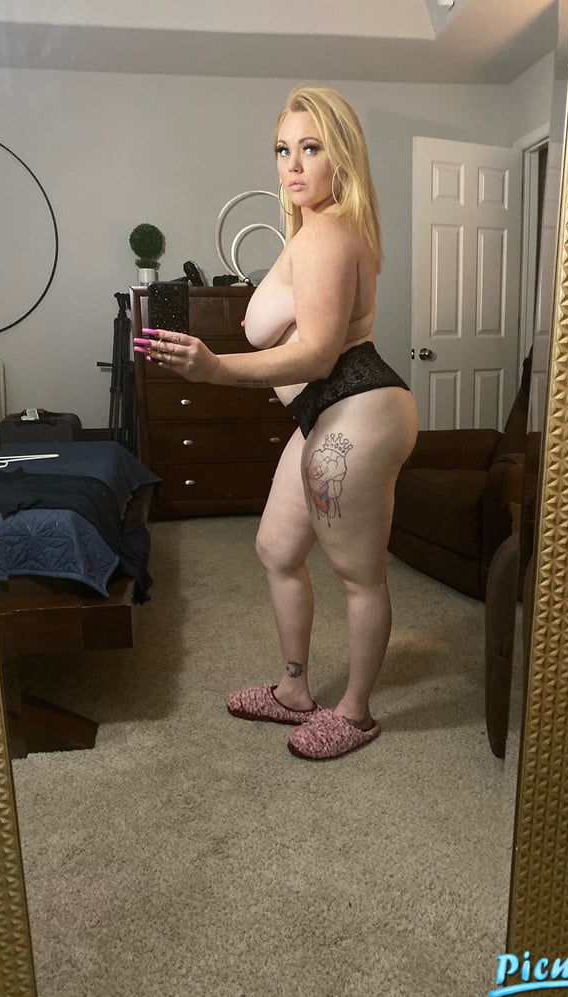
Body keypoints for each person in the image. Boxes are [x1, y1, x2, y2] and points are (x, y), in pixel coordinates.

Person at [133, 85, 419, 760]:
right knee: (277, 549)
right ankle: (294, 693)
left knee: (359, 575)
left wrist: (215, 368)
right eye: (283, 149)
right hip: (324, 410)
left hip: (356, 409)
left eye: (311, 148)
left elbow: (317, 353)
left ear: (342, 158)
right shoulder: (313, 232)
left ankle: (355, 714)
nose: (292, 164)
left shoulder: (329, 234)